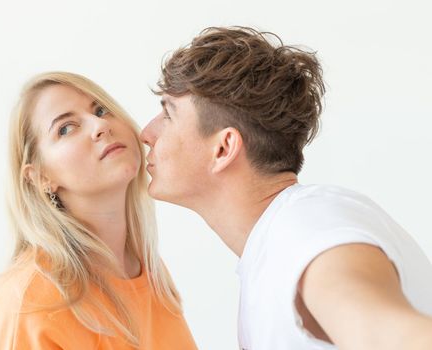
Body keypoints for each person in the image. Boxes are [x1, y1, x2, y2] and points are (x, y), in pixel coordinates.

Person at [140, 26, 432, 349]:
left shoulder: (303, 229)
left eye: (168, 113)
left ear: (223, 149)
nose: (145, 133)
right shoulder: (276, 246)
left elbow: (393, 338)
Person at [0, 72, 197, 350]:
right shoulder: (25, 304)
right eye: (65, 128)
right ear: (40, 177)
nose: (99, 125)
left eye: (101, 110)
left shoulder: (152, 274)